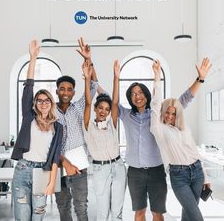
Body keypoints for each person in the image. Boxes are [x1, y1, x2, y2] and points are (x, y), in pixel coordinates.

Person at [119, 61, 209, 221]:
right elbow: (155, 100)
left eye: (140, 92)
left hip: (180, 170)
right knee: (192, 214)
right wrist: (157, 77)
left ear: (147, 94)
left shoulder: (164, 116)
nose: (137, 96)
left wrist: (200, 80)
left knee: (186, 213)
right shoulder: (154, 121)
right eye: (133, 93)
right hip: (147, 171)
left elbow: (183, 100)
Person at [150, 58, 211, 221]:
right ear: (162, 112)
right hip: (179, 175)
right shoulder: (158, 129)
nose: (169, 116)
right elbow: (156, 104)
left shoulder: (183, 128)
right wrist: (156, 77)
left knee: (189, 214)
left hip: (197, 172)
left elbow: (194, 152)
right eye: (166, 113)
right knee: (197, 217)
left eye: (173, 113)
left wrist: (205, 176)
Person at [11, 40, 63, 221]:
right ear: (35, 103)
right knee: (22, 215)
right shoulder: (29, 117)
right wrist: (33, 58)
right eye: (39, 100)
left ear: (51, 103)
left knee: (38, 216)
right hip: (23, 169)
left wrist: (51, 181)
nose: (42, 103)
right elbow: (28, 87)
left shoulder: (58, 127)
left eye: (46, 100)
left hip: (42, 171)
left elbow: (56, 157)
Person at [55, 37, 98, 221]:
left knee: (81, 205)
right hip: (58, 163)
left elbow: (93, 85)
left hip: (79, 163)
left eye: (69, 89)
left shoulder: (80, 107)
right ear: (56, 90)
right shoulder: (49, 110)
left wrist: (89, 60)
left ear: (73, 92)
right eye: (62, 89)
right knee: (63, 206)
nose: (65, 92)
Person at [82, 59, 127, 221]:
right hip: (100, 171)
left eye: (106, 109)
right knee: (102, 212)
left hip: (119, 166)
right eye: (100, 108)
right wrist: (87, 79)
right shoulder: (88, 126)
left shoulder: (112, 124)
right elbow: (87, 102)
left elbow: (115, 103)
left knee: (117, 212)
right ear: (95, 109)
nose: (103, 111)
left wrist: (116, 77)